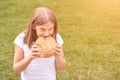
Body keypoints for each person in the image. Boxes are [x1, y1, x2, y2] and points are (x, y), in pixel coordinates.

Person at [13, 7, 67, 80]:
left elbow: (62, 67)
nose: (47, 34)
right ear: (33, 26)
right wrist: (30, 57)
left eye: (50, 29)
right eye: (42, 29)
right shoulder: (22, 39)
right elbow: (16, 69)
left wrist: (57, 55)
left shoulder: (56, 38)